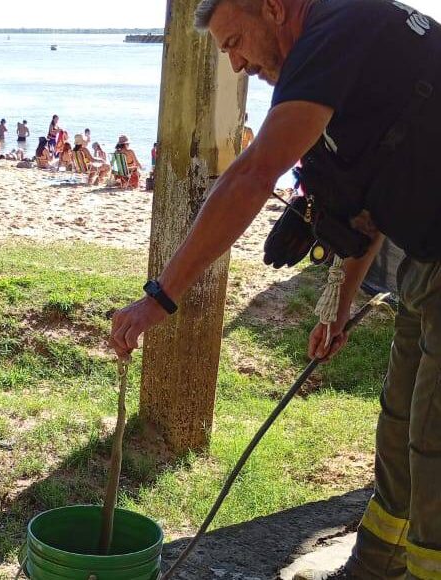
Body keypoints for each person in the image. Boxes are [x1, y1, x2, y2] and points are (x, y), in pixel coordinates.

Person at [110, 2, 441, 579]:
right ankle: (377, 563)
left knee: (433, 441)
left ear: (274, 6)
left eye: (236, 40)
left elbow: (251, 175)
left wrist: (161, 297)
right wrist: (336, 310)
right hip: (425, 254)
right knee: (399, 422)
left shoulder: (337, 26)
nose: (236, 63)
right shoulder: (325, 65)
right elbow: (359, 210)